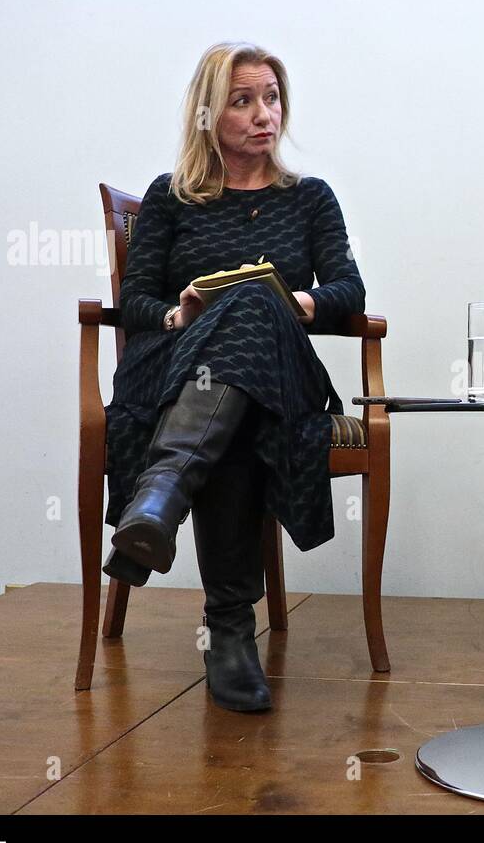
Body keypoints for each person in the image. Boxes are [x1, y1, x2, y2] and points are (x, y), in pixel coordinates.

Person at [101, 42, 365, 712]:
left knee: (251, 309)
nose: (262, 114)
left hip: (272, 366)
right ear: (208, 115)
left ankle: (159, 500)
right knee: (237, 400)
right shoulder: (170, 197)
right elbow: (133, 302)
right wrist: (175, 312)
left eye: (271, 97)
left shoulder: (308, 198)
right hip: (173, 366)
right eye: (243, 100)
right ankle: (229, 632)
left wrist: (294, 302)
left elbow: (348, 290)